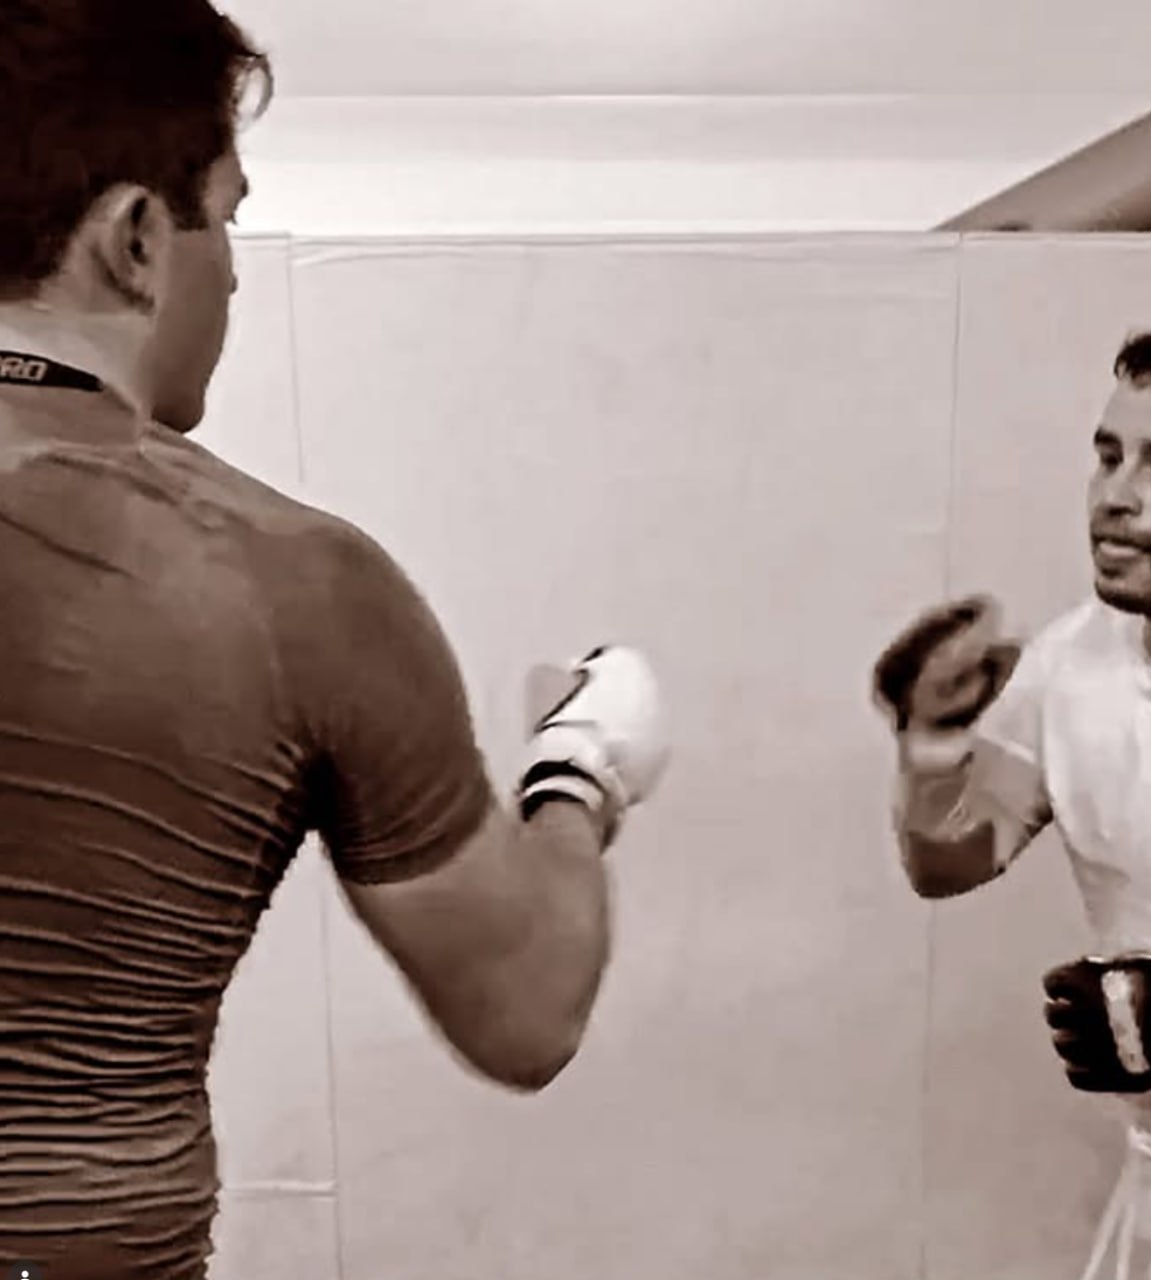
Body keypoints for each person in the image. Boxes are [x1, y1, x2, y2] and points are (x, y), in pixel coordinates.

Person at [0, 2, 670, 1276]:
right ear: (137, 238)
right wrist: (582, 767)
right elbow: (524, 1007)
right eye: (229, 218)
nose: (236, 271)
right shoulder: (292, 579)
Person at [873, 307, 1151, 1279]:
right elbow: (953, 857)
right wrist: (930, 748)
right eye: (1108, 457)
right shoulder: (1072, 658)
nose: (1117, 497)